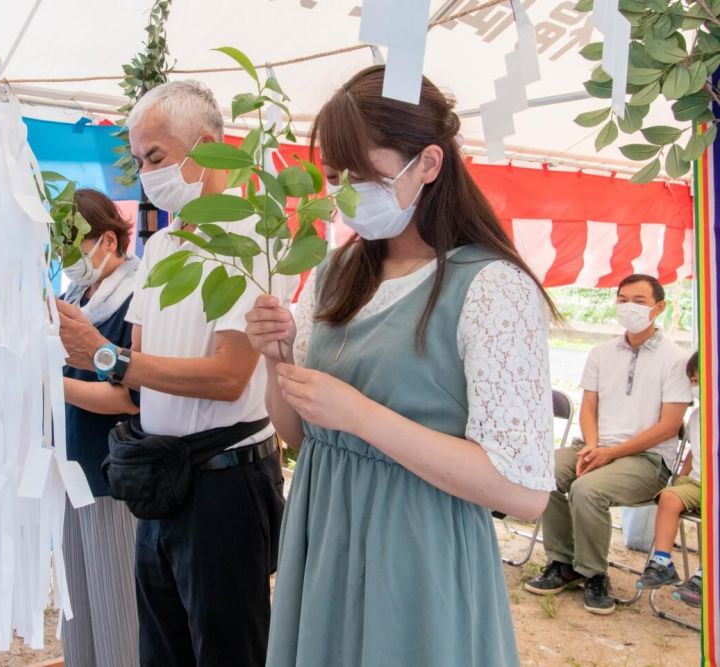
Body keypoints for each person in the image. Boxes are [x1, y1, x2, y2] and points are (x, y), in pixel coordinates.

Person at [245, 67, 556, 666]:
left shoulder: (491, 287)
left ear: (430, 165)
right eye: (336, 178)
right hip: (325, 536)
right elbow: (299, 436)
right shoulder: (337, 272)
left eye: (365, 176)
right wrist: (275, 360)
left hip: (417, 553)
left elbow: (522, 491)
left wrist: (360, 415)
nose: (347, 194)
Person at [57, 80, 291, 667]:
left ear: (208, 149)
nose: (145, 174)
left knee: (225, 646)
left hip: (224, 482)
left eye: (155, 157)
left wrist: (104, 357)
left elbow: (228, 377)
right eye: (138, 161)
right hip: (161, 475)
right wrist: (96, 356)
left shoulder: (255, 238)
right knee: (160, 646)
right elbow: (137, 378)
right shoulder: (162, 248)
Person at [525, 274, 690, 614]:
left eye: (639, 301)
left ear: (659, 308)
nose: (628, 306)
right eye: (622, 299)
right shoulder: (601, 352)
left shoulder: (675, 359)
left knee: (588, 490)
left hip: (646, 460)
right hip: (597, 446)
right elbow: (589, 407)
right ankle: (562, 563)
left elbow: (669, 425)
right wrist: (593, 446)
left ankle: (595, 573)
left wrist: (611, 452)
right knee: (545, 470)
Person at [59, 189, 141, 667]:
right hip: (72, 473)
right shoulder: (76, 297)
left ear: (107, 240)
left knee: (117, 617)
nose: (66, 261)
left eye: (72, 247)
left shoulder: (134, 298)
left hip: (111, 476)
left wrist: (52, 384)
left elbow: (128, 398)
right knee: (78, 611)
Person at [635, 351, 702, 607]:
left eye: (699, 381)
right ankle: (662, 562)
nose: (695, 388)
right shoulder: (696, 416)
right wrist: (681, 478)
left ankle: (706, 575)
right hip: (697, 483)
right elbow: (694, 452)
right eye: (693, 382)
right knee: (669, 497)